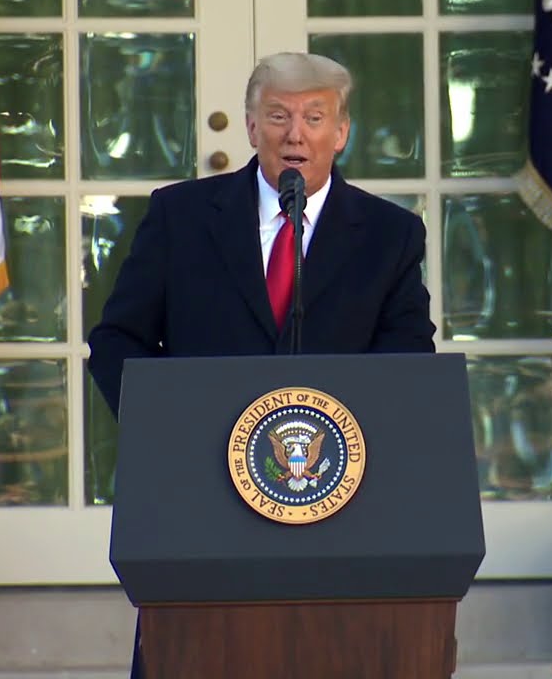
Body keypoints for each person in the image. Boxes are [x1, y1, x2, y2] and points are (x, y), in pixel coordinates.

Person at [86, 52, 436, 678]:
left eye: (313, 117)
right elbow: (117, 339)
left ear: (341, 132)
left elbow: (406, 361)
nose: (294, 134)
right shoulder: (181, 217)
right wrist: (164, 435)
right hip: (200, 501)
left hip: (338, 504)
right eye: (277, 115)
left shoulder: (390, 235)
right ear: (251, 128)